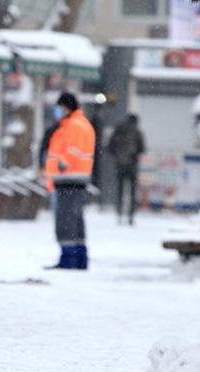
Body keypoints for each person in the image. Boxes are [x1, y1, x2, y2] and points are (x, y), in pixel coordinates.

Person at [44, 92, 95, 270]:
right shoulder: (80, 124)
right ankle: (80, 258)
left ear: (66, 107)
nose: (57, 111)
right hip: (76, 180)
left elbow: (72, 151)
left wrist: (61, 165)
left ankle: (68, 259)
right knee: (76, 220)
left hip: (68, 179)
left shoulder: (73, 126)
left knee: (66, 220)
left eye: (59, 107)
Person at [107, 113, 145, 225]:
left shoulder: (118, 130)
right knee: (132, 192)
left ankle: (119, 213)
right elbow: (142, 148)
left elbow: (110, 146)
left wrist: (118, 156)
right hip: (132, 165)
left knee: (120, 190)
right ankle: (130, 215)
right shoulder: (137, 132)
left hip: (120, 165)